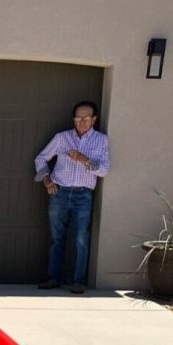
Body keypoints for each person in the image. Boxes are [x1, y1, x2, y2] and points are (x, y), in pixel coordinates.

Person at [33, 101, 109, 293]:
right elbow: (41, 159)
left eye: (86, 118)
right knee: (56, 238)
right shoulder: (62, 138)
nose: (81, 122)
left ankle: (78, 281)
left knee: (81, 238)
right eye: (78, 118)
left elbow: (104, 170)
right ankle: (53, 278)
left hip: (83, 195)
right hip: (59, 192)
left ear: (94, 119)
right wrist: (47, 179)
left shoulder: (101, 140)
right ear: (73, 119)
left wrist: (83, 159)